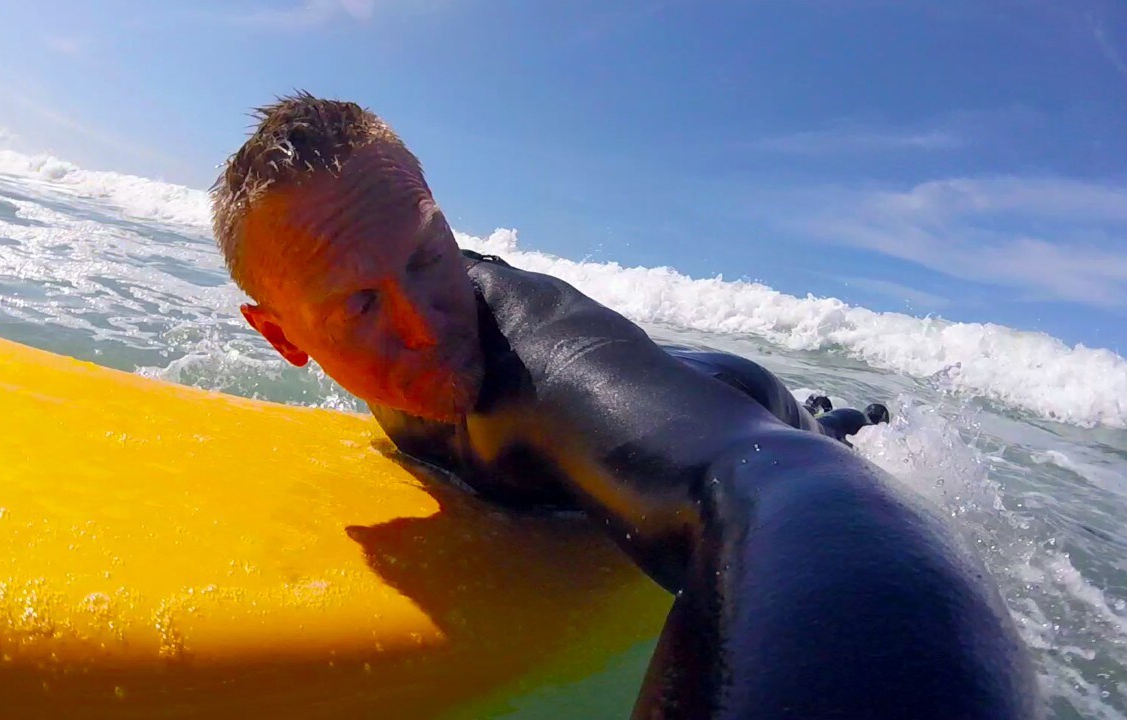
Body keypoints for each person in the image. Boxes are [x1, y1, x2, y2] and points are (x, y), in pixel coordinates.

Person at [209, 93, 1041, 719]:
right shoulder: (411, 334)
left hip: (745, 414)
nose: (425, 324)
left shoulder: (536, 374)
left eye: (431, 256)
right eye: (360, 307)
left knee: (837, 436)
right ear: (284, 339)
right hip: (674, 384)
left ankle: (846, 414)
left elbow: (797, 492)